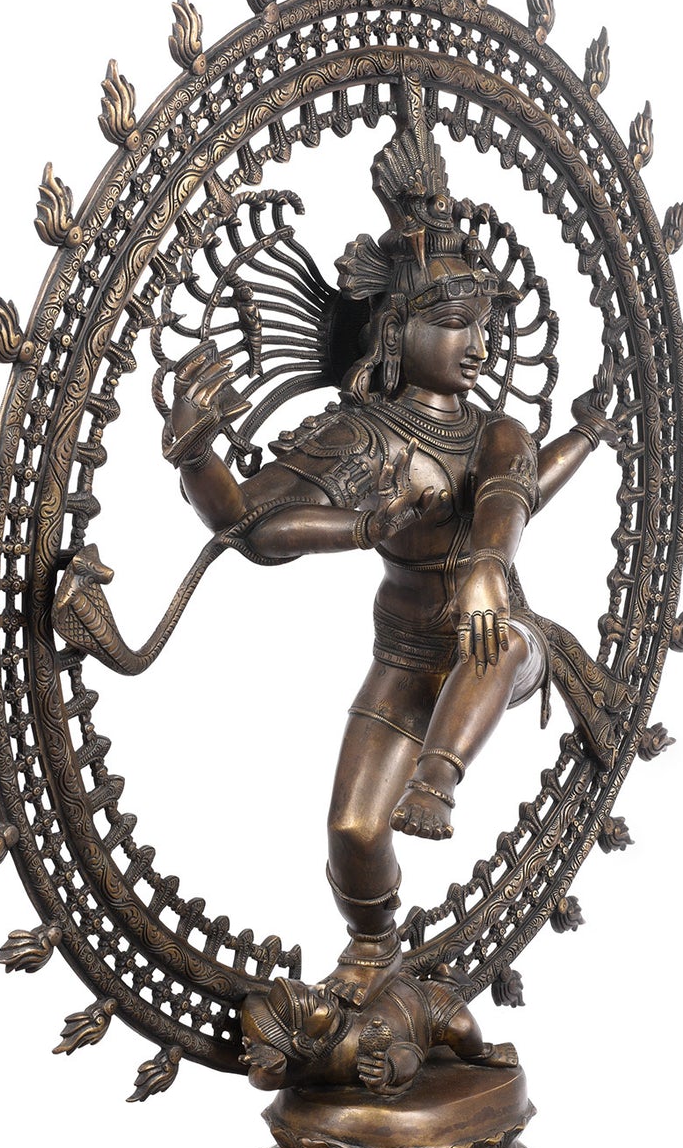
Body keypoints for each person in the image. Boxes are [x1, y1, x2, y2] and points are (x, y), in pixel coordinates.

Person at [159, 102, 621, 1007]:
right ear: (397, 327)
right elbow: (250, 528)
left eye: (484, 324)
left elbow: (510, 501)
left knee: (498, 638)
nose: (477, 346)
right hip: (405, 660)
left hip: (493, 643)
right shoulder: (362, 436)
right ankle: (373, 959)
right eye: (455, 322)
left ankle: (439, 781)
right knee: (352, 833)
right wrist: (197, 458)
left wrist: (490, 566)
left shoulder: (496, 434)